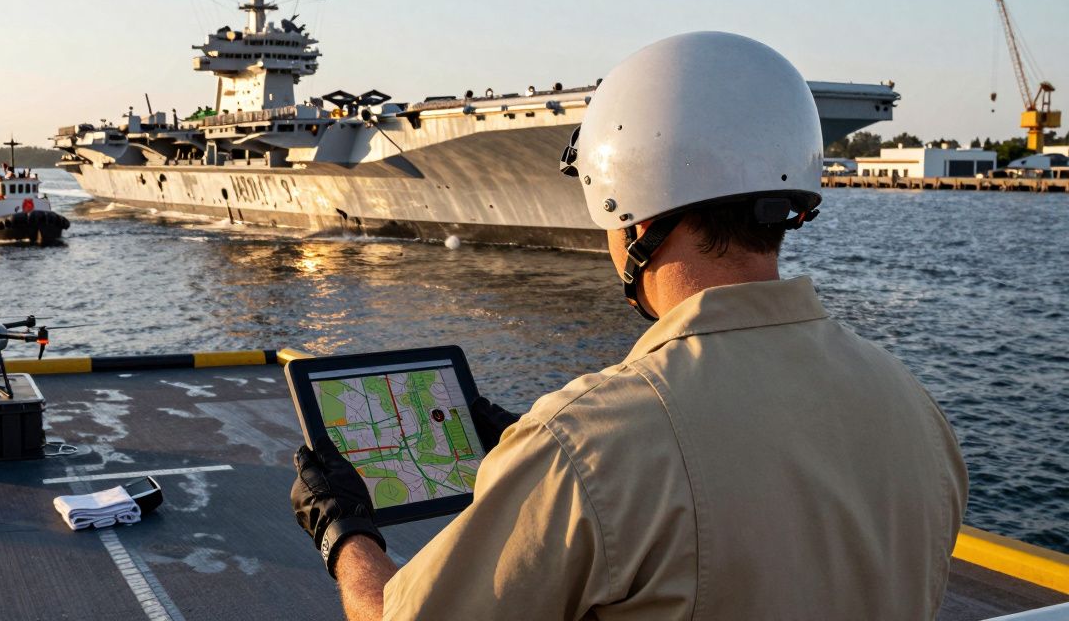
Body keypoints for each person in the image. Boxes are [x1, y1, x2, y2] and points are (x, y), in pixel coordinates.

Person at [290, 32, 968, 620]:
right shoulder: (915, 410)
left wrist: (344, 532)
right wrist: (530, 453)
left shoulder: (587, 445)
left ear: (634, 220)